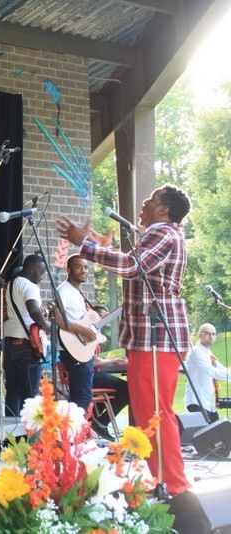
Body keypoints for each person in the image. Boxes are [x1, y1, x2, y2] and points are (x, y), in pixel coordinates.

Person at [56, 184, 193, 496]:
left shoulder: (163, 232)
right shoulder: (162, 233)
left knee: (156, 413)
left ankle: (176, 485)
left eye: (152, 199)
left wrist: (86, 245)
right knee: (148, 413)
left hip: (156, 337)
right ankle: (160, 481)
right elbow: (133, 265)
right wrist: (94, 243)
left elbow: (132, 267)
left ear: (164, 210)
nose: (144, 201)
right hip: (150, 338)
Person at [2, 254, 49, 418]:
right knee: (31, 393)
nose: (42, 277)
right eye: (40, 272)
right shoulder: (30, 287)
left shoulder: (10, 285)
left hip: (9, 342)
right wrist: (47, 326)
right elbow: (34, 310)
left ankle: (10, 437)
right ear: (32, 269)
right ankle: (30, 437)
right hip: (27, 345)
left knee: (13, 390)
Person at [55, 254, 100, 411]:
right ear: (68, 270)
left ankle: (75, 433)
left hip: (80, 349)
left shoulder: (76, 293)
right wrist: (82, 331)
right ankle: (76, 433)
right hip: (73, 351)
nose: (84, 270)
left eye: (86, 267)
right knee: (83, 397)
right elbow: (58, 318)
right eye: (79, 267)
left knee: (78, 397)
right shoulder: (64, 291)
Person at [90, 304, 130, 438]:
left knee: (119, 387)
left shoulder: (96, 335)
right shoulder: (89, 334)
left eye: (105, 318)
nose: (103, 321)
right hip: (90, 375)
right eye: (101, 317)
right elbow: (93, 361)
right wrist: (114, 361)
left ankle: (94, 418)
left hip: (94, 374)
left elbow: (95, 358)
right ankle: (101, 421)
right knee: (128, 389)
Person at [184, 323, 228, 423]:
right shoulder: (196, 352)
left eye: (213, 334)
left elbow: (221, 369)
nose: (211, 337)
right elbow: (212, 372)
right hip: (197, 401)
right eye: (208, 334)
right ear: (200, 335)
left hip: (209, 404)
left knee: (217, 435)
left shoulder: (207, 352)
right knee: (205, 436)